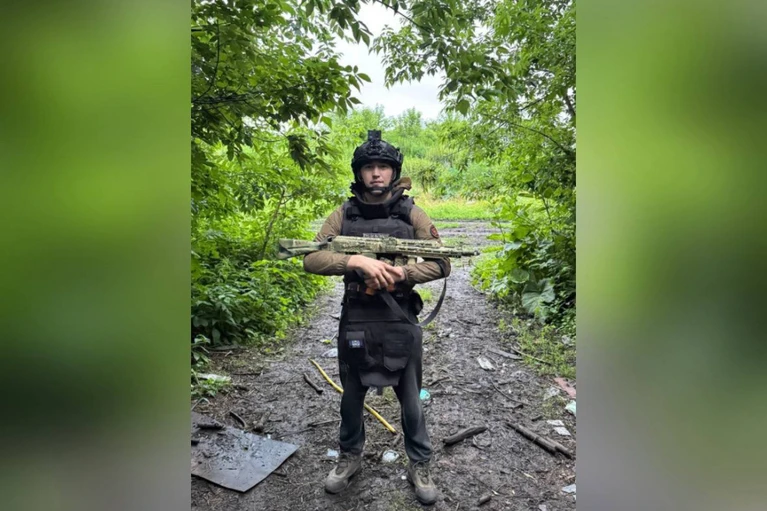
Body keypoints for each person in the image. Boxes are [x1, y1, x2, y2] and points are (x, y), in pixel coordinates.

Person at [303, 130, 451, 505]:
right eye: (368, 167)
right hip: (356, 317)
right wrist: (354, 260)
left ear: (393, 171)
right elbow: (311, 258)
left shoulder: (413, 213)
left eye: (383, 166)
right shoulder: (343, 214)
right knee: (352, 396)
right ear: (359, 172)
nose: (376, 173)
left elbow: (442, 263)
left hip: (400, 318)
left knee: (411, 399)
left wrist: (404, 273)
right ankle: (349, 456)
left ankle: (420, 463)